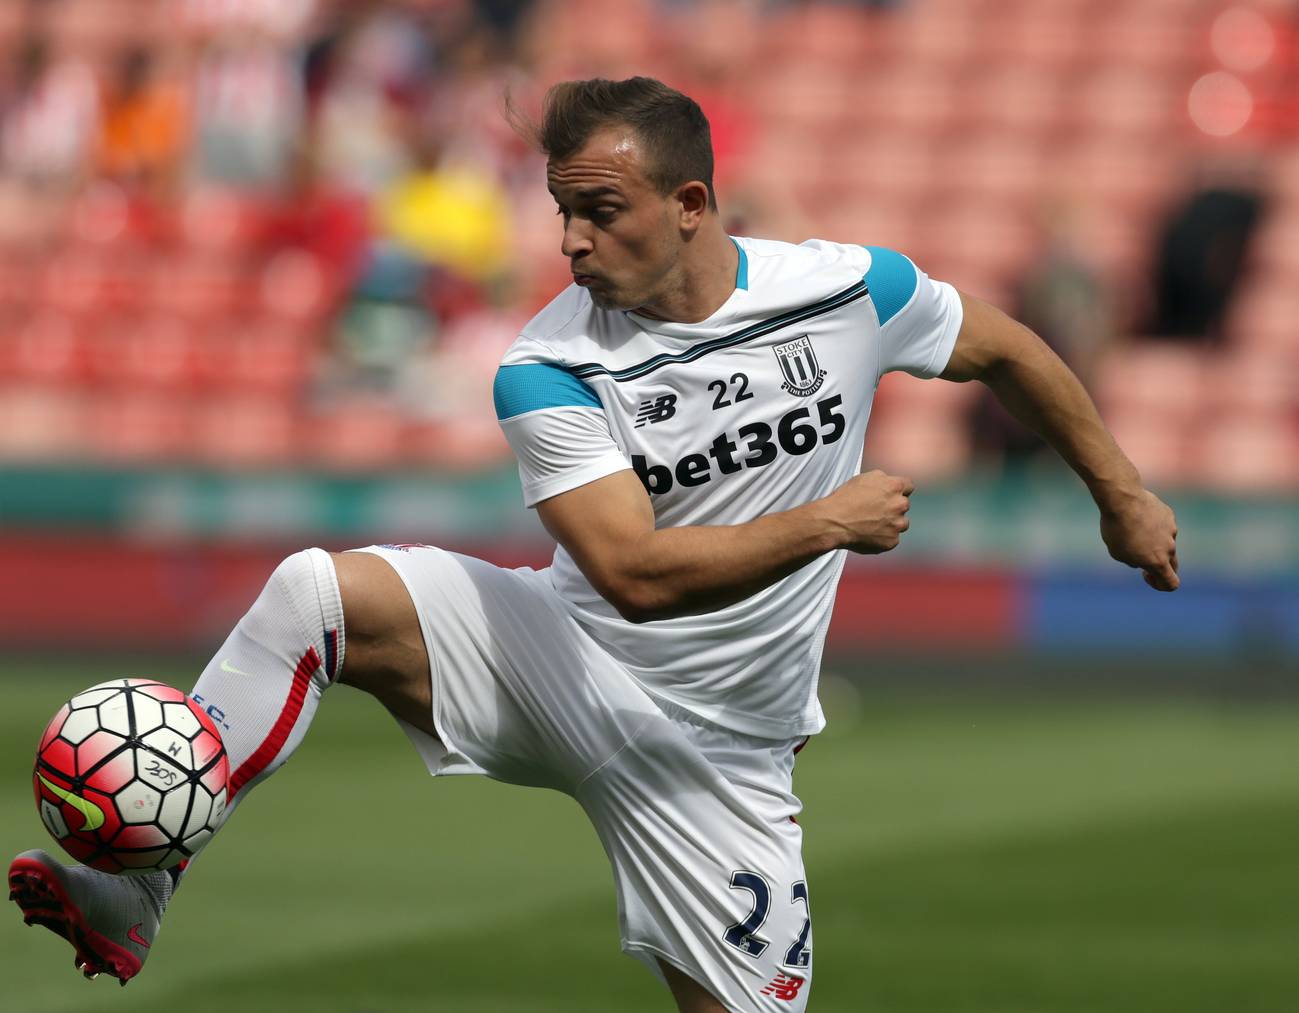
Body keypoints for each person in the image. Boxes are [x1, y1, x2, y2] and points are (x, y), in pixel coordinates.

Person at [9, 77, 1179, 1012]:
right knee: (318, 588)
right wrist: (831, 519)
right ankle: (139, 885)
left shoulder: (847, 293)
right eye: (561, 208)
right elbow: (631, 574)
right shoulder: (548, 365)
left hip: (724, 757)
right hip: (568, 658)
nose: (568, 239)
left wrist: (1119, 496)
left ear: (692, 203)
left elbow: (1011, 348)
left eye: (599, 210)